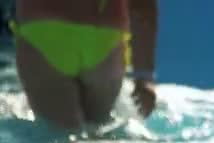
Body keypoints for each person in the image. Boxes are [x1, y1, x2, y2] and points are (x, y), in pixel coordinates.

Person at [11, 0, 158, 130]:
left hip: (45, 31)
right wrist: (144, 76)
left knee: (61, 138)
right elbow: (143, 6)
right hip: (104, 41)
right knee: (99, 134)